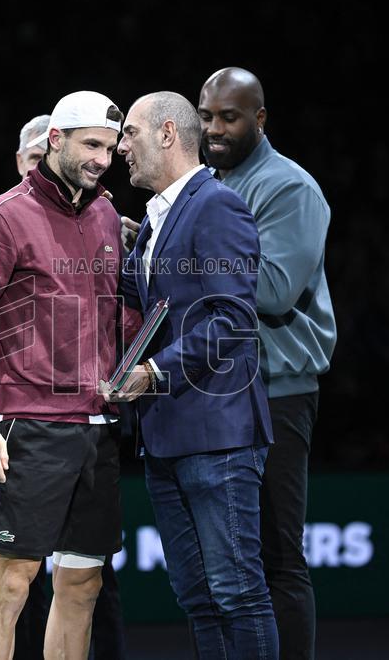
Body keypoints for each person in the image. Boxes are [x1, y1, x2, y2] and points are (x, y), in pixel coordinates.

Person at [0, 91, 128, 660]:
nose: (101, 158)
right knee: (13, 584)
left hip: (99, 425)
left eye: (111, 148)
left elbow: (118, 311)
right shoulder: (3, 216)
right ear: (56, 141)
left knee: (82, 585)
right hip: (30, 427)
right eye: (90, 145)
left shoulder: (106, 216)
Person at [106, 91, 278, 659]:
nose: (119, 146)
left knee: (238, 594)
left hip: (218, 435)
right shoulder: (159, 217)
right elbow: (152, 301)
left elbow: (232, 319)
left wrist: (154, 370)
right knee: (198, 598)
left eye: (129, 133)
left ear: (168, 135)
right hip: (167, 436)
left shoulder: (216, 205)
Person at [199, 67, 336, 660]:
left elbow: (277, 290)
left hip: (277, 390)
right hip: (217, 391)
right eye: (205, 117)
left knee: (278, 556)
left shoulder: (290, 188)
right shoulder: (207, 182)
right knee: (226, 560)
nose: (214, 129)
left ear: (259, 119)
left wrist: (191, 252)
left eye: (229, 117)